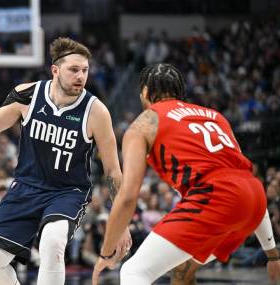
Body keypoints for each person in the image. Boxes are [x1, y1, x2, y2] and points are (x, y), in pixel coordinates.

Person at [0, 37, 131, 285]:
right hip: (27, 186)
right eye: (74, 69)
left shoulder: (96, 112)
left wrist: (122, 223)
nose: (80, 76)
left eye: (84, 70)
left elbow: (113, 171)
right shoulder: (28, 95)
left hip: (67, 192)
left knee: (52, 241)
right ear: (55, 70)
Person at [92, 63, 280, 284]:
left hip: (217, 198)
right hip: (254, 198)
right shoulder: (215, 116)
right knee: (182, 270)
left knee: (133, 272)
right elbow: (242, 182)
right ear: (180, 91)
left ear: (144, 93)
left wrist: (106, 253)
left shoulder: (143, 124)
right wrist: (272, 254)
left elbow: (128, 196)